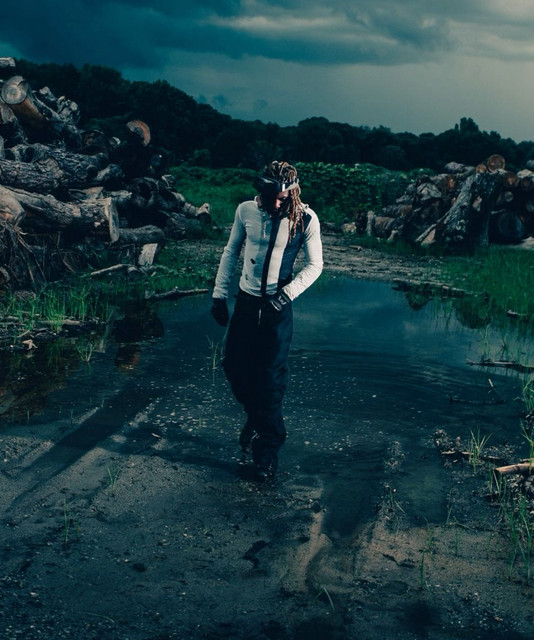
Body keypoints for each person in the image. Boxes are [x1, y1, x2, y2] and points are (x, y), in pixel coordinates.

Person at [210, 161, 323, 481]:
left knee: (270, 381)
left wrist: (285, 297)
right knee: (234, 367)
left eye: (282, 198)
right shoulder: (245, 211)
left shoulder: (306, 218)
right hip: (246, 305)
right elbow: (231, 252)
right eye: (270, 197)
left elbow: (315, 266)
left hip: (277, 308)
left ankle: (266, 455)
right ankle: (257, 417)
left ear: (292, 193)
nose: (275, 204)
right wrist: (219, 295)